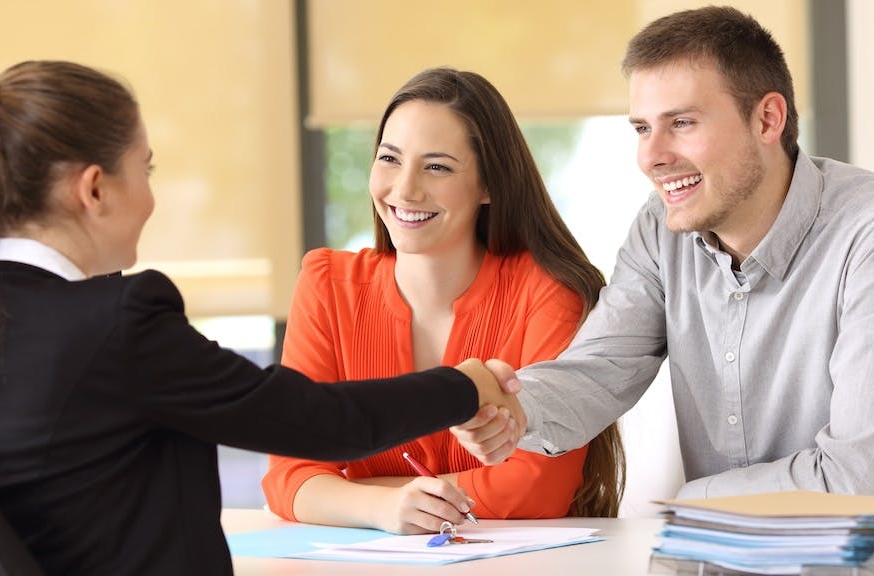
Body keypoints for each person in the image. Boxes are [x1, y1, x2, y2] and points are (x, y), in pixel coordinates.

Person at [0, 60, 522, 576]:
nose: (151, 199)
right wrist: (465, 385)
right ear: (95, 190)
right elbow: (316, 422)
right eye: (144, 171)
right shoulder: (116, 324)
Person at [455, 5, 874, 499]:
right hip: (730, 555)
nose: (651, 157)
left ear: (768, 120)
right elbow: (599, 370)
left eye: (681, 123)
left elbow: (858, 483)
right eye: (642, 128)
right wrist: (514, 410)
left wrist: (692, 500)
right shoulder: (662, 229)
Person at [261, 67, 626, 534]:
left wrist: (354, 495)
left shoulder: (548, 292)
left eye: (437, 166)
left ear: (489, 184)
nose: (404, 189)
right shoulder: (327, 283)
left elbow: (538, 486)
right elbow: (289, 473)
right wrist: (386, 509)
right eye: (389, 159)